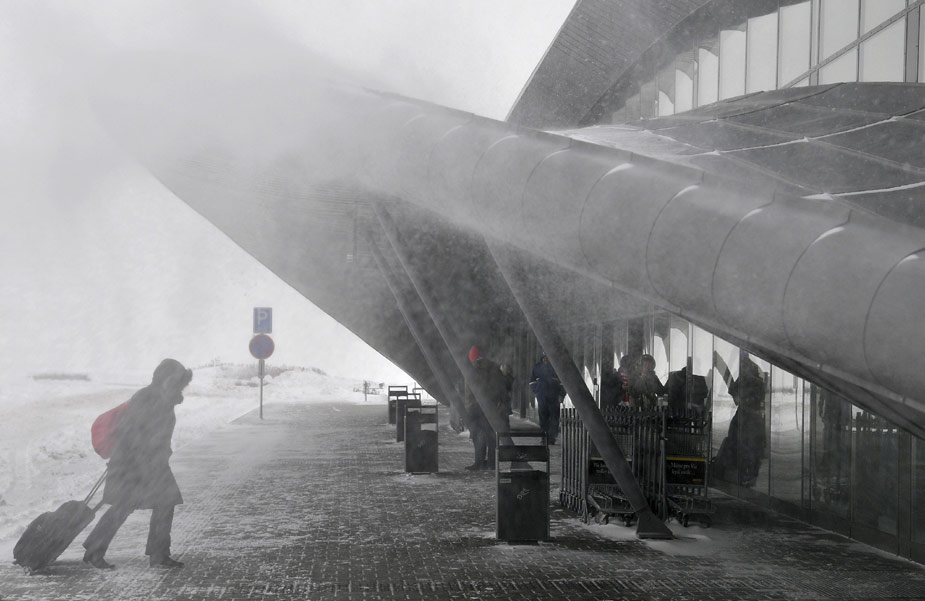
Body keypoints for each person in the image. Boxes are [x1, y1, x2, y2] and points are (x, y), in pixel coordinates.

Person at [83, 359, 193, 569]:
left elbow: (159, 431)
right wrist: (142, 457)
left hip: (152, 463)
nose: (180, 387)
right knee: (124, 506)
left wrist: (161, 451)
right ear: (165, 380)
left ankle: (158, 554)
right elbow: (130, 431)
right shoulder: (147, 398)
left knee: (163, 503)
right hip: (133, 463)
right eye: (177, 382)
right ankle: (95, 551)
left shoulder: (164, 399)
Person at [712, 350, 767, 487]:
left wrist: (741, 397)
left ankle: (745, 475)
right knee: (745, 447)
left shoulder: (751, 381)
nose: (742, 368)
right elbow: (737, 395)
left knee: (746, 447)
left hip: (748, 417)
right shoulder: (751, 380)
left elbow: (739, 397)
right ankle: (745, 475)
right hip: (748, 417)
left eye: (744, 366)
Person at [464, 346, 507, 470]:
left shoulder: (472, 369)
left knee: (477, 434)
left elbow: (469, 391)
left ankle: (479, 462)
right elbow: (502, 386)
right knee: (491, 435)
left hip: (474, 406)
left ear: (472, 357)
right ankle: (491, 463)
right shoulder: (494, 368)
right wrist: (501, 402)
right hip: (491, 405)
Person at [529, 352, 564, 444]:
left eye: (547, 357)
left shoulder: (557, 367)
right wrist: (537, 391)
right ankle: (544, 438)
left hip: (554, 397)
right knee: (543, 418)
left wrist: (561, 394)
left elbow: (563, 382)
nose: (546, 359)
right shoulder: (537, 367)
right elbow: (532, 381)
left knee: (554, 418)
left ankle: (552, 438)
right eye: (544, 357)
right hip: (542, 397)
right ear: (542, 357)